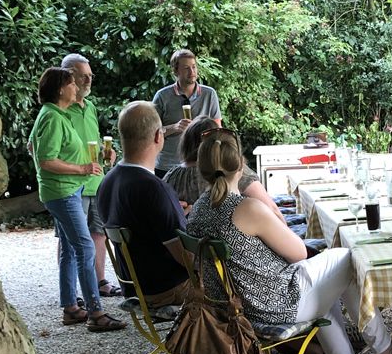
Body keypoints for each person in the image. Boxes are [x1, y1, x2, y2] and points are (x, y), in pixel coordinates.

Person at [187, 128, 392, 354]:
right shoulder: (246, 208)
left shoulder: (199, 209)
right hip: (274, 307)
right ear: (240, 164)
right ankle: (383, 348)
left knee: (325, 286)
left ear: (201, 167)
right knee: (348, 258)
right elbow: (298, 253)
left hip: (238, 307)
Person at [28, 67, 126, 332]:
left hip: (67, 189)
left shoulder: (55, 115)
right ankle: (95, 313)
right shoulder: (53, 117)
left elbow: (33, 146)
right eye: (72, 82)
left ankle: (71, 307)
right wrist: (82, 169)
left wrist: (87, 162)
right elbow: (45, 160)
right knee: (85, 247)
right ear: (61, 89)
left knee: (72, 249)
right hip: (62, 191)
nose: (76, 87)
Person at [97, 101, 191, 306]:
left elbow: (142, 227)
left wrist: (172, 211)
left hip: (134, 287)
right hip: (167, 288)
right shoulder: (154, 188)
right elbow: (186, 258)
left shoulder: (107, 182)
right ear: (159, 136)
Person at [61, 53, 120, 297]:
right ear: (69, 77)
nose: (88, 80)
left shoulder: (91, 106)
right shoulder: (60, 109)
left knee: (98, 233)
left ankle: (100, 281)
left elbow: (92, 142)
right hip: (74, 184)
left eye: (90, 76)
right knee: (71, 240)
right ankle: (72, 291)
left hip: (97, 181)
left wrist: (110, 154)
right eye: (83, 76)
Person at [164, 116, 286, 223]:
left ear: (186, 142)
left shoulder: (171, 176)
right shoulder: (231, 169)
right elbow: (273, 211)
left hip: (192, 247)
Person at [152, 49, 221, 178]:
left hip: (201, 164)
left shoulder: (209, 94)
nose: (192, 72)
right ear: (176, 71)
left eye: (194, 67)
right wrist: (174, 127)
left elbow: (217, 129)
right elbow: (152, 133)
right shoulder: (162, 96)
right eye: (186, 68)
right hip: (167, 166)